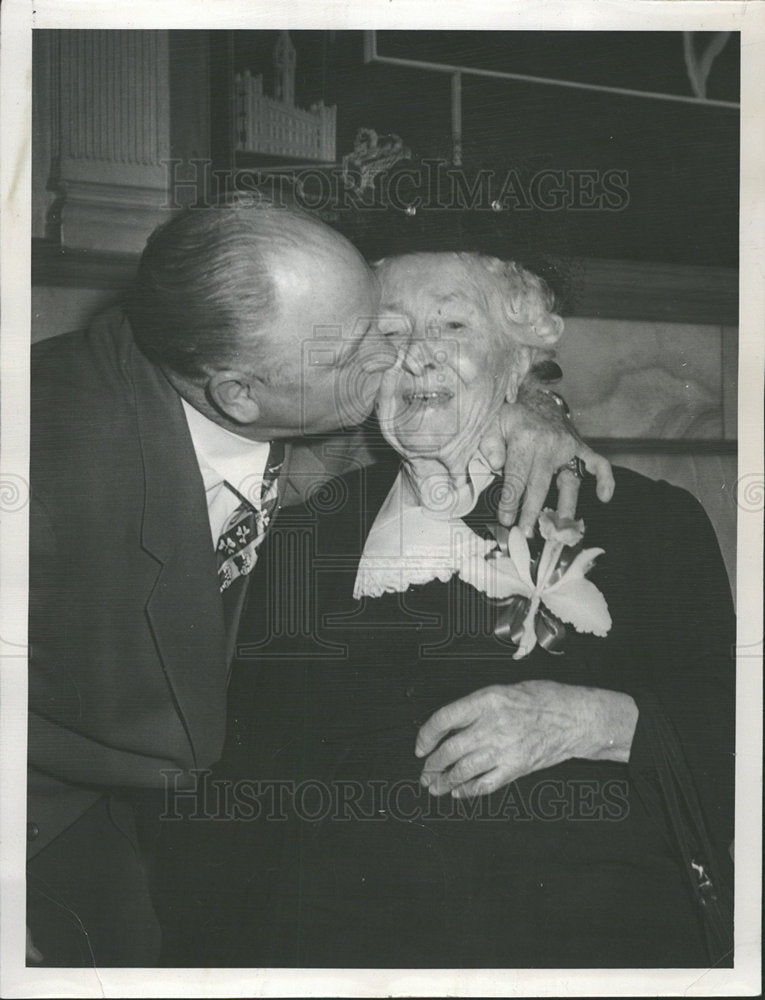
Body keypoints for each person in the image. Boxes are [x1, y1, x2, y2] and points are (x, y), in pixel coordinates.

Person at [26, 203, 612, 966]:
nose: (397, 358)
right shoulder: (43, 471)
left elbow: (471, 358)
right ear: (240, 395)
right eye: (367, 345)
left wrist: (533, 402)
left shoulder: (296, 385)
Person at [205, 251, 735, 968]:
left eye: (451, 324)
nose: (417, 358)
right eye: (388, 337)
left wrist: (592, 720)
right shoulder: (306, 535)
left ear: (517, 362)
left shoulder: (645, 519)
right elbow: (240, 791)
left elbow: (734, 732)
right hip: (347, 951)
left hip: (585, 947)